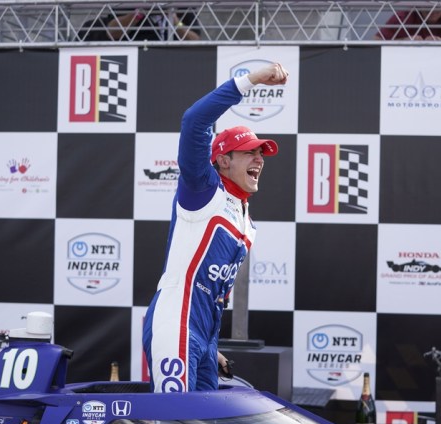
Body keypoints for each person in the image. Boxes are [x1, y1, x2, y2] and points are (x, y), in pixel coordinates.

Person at [142, 63, 289, 393]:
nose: (259, 159)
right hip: (175, 326)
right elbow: (194, 121)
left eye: (261, 153)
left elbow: (213, 293)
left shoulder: (245, 218)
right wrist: (252, 80)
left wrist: (211, 346)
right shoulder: (203, 190)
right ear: (223, 160)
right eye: (249, 152)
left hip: (204, 337)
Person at [79, 9, 200, 42]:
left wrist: (174, 20)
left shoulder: (182, 6)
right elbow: (112, 32)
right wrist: (139, 13)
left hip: (172, 59)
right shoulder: (130, 4)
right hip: (136, 57)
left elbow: (196, 40)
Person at [375, 7, 441, 41]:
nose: (432, 11)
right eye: (428, 8)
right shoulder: (403, 17)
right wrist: (403, 42)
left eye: (437, 8)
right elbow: (375, 42)